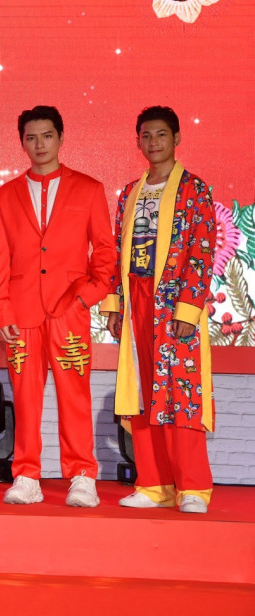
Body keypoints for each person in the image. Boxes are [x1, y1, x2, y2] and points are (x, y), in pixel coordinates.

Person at [0, 105, 116, 507]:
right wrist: (2, 311)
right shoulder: (5, 196)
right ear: (22, 142)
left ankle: (82, 475)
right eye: (31, 137)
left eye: (47, 136)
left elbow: (106, 253)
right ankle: (26, 475)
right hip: (21, 313)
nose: (39, 144)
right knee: (24, 397)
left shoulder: (89, 189)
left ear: (60, 138)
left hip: (69, 310)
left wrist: (86, 297)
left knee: (74, 394)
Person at [101, 106, 216, 513]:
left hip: (173, 302)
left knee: (181, 394)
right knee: (142, 396)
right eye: (146, 135)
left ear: (177, 138)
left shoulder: (194, 189)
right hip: (136, 299)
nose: (153, 142)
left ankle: (193, 488)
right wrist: (115, 305)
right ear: (138, 141)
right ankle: (154, 485)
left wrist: (188, 308)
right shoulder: (130, 192)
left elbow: (202, 251)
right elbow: (116, 250)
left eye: (161, 134)